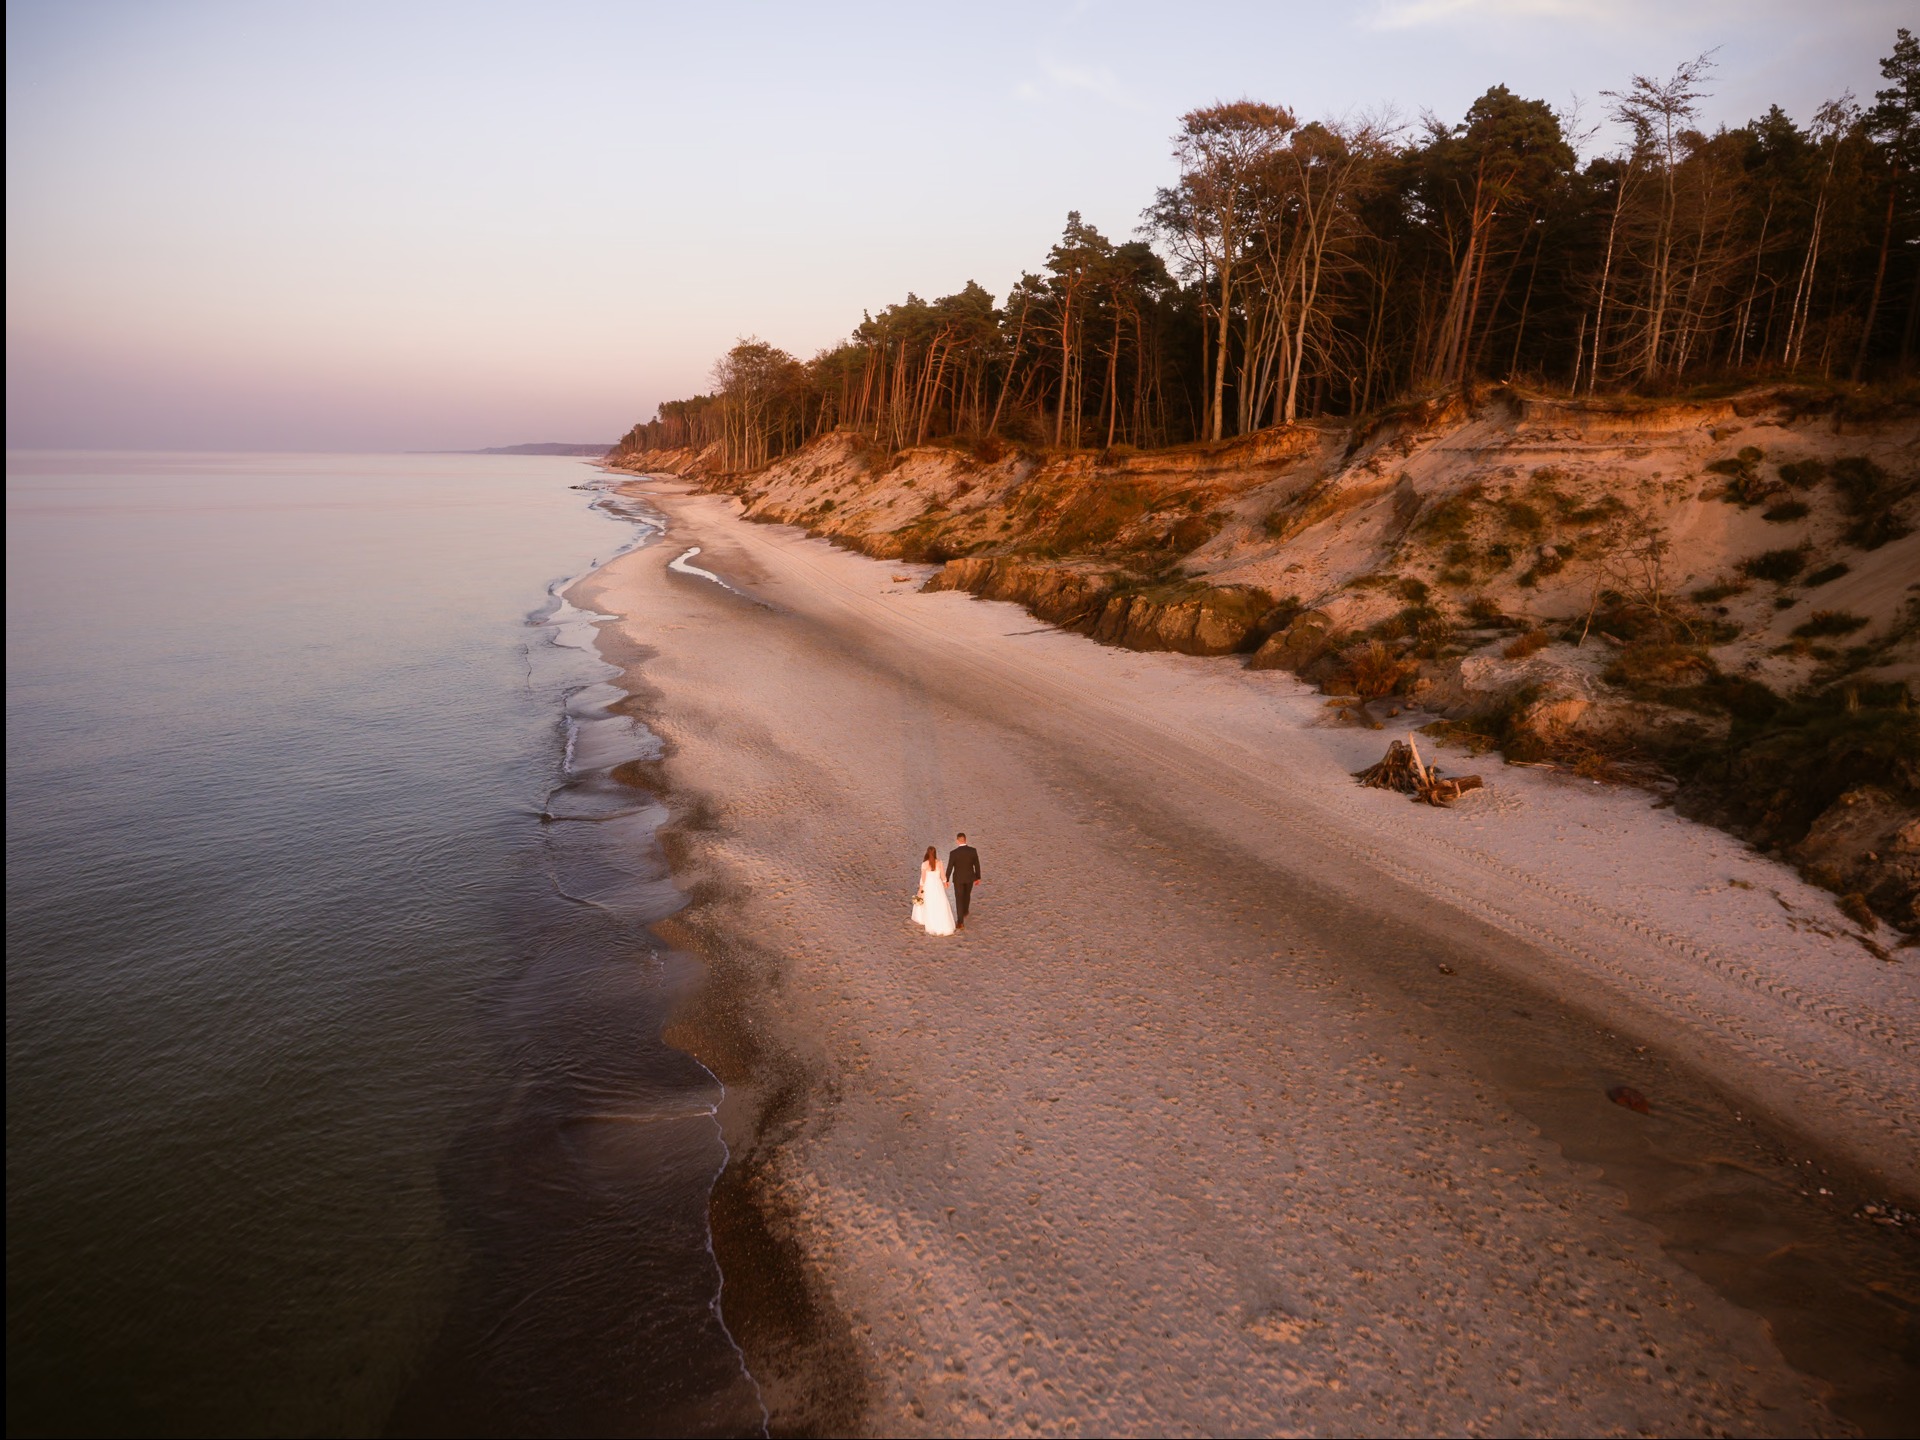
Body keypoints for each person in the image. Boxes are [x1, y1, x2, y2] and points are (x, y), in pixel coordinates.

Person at [910, 845, 956, 936]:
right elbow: (943, 875)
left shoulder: (924, 864)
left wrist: (921, 888)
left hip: (929, 886)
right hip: (938, 886)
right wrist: (945, 882)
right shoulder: (939, 863)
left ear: (927, 853)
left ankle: (930, 920)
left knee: (929, 903)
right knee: (940, 903)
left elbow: (923, 878)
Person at [945, 833, 982, 930]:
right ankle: (965, 910)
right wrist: (978, 877)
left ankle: (960, 922)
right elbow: (977, 865)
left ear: (957, 841)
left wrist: (946, 879)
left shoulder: (953, 853)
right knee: (967, 894)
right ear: (965, 840)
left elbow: (950, 867)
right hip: (969, 878)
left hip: (958, 879)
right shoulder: (972, 851)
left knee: (959, 898)